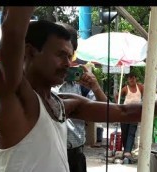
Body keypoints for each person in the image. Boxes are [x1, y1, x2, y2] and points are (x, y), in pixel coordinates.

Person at [0, 7, 157, 172]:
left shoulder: (62, 103)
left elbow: (124, 112)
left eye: (70, 56)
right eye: (60, 55)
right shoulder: (16, 98)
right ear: (30, 53)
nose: (68, 63)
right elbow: (12, 33)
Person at [54, 23, 107, 172]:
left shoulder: (81, 84)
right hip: (47, 158)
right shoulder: (36, 85)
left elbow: (107, 113)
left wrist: (95, 88)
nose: (65, 62)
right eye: (59, 54)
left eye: (69, 55)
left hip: (75, 156)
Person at [114, 73, 144, 163]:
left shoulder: (140, 87)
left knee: (132, 133)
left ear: (136, 79)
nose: (132, 80)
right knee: (125, 133)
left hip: (135, 114)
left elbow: (148, 94)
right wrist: (118, 105)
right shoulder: (125, 88)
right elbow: (117, 96)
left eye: (133, 78)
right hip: (125, 113)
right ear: (128, 80)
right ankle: (126, 151)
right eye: (130, 79)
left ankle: (127, 152)